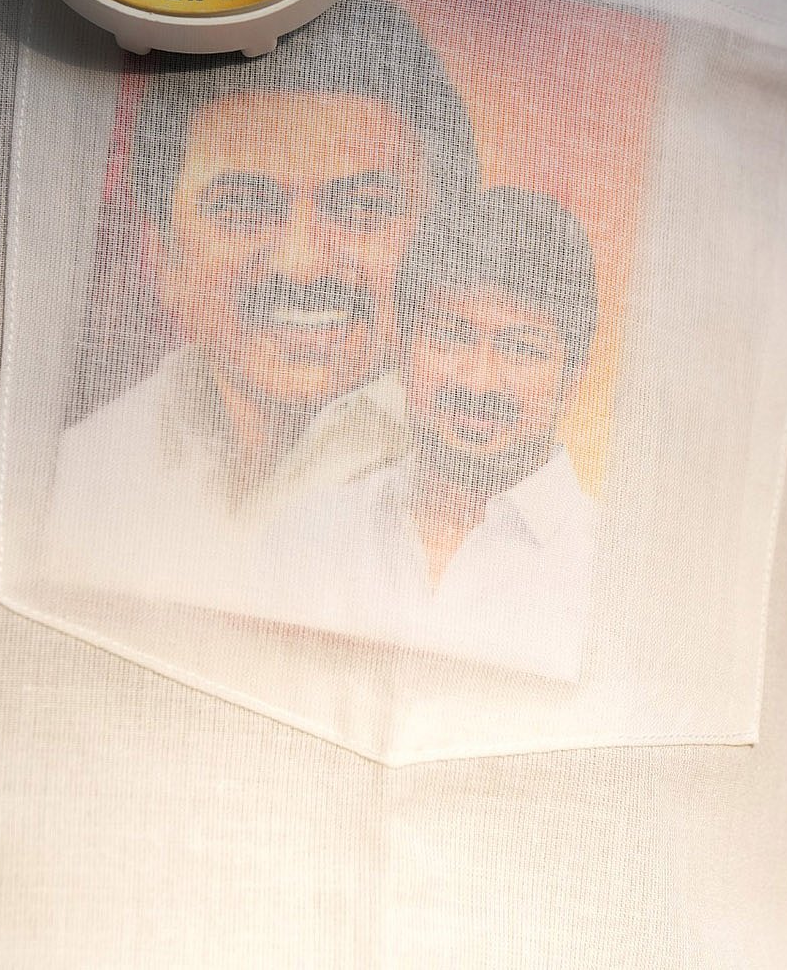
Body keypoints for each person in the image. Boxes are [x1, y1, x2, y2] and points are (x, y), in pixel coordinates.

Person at [42, 0, 481, 598]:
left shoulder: (503, 503)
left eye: (361, 209)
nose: (303, 266)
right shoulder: (85, 467)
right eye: (243, 207)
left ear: (448, 246)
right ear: (163, 254)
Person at [251, 186, 600, 680]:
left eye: (521, 348)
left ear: (574, 375)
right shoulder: (307, 536)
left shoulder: (611, 575)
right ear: (401, 343)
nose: (479, 379)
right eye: (451, 335)